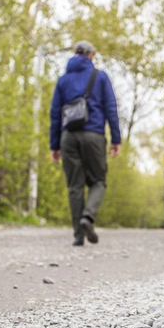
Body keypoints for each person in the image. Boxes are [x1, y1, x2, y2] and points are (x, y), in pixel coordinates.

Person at [49, 40, 121, 246]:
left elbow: (55, 114)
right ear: (91, 55)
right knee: (98, 181)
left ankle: (78, 236)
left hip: (68, 136)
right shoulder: (100, 77)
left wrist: (54, 145)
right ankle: (87, 217)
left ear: (75, 55)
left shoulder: (63, 80)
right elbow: (111, 109)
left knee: (75, 186)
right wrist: (116, 139)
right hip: (94, 135)